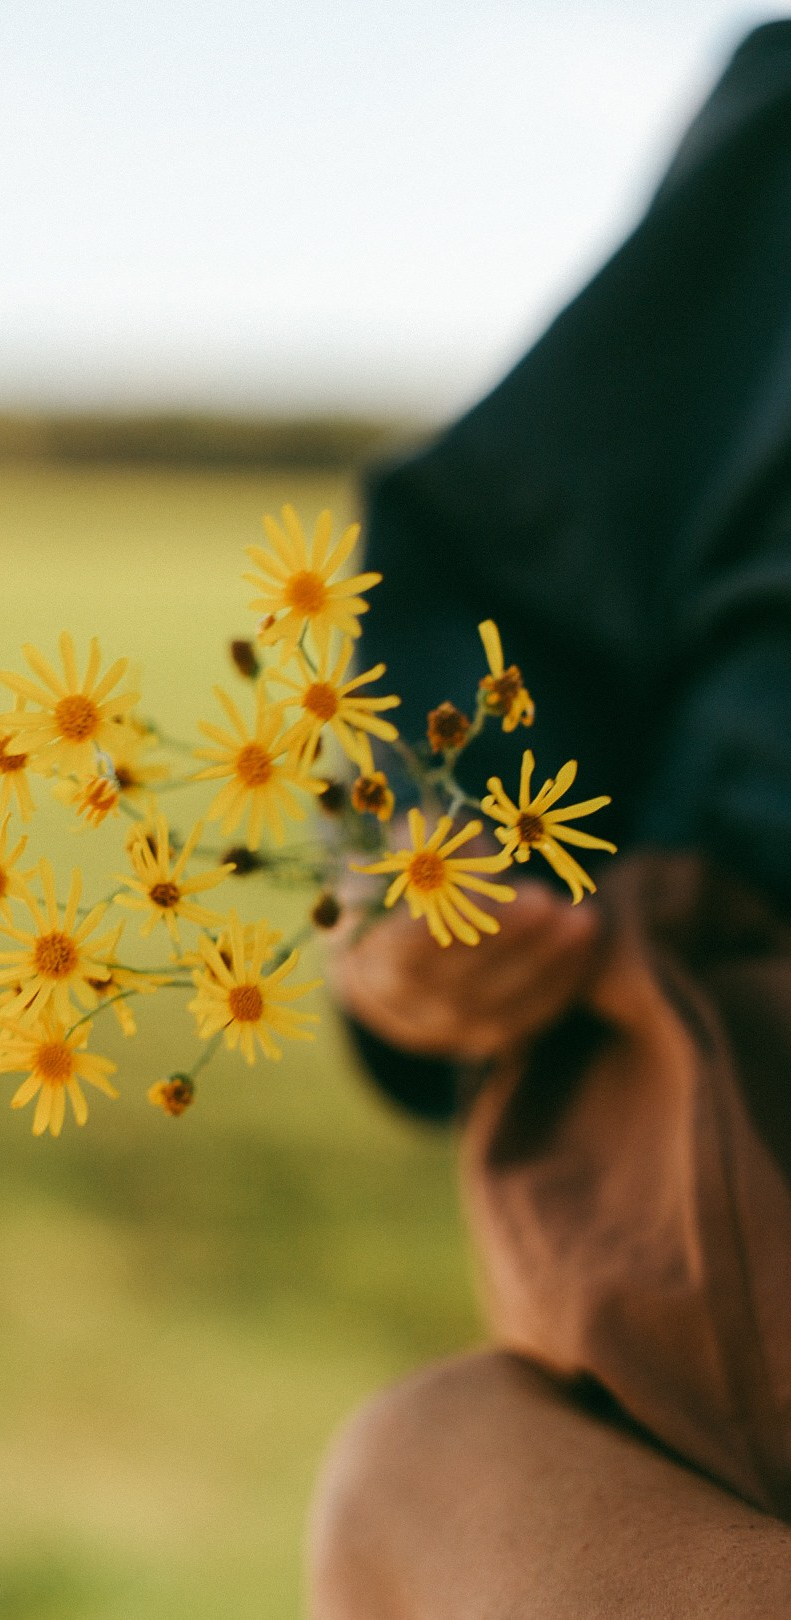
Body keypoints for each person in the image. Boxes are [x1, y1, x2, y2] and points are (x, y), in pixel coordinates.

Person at [310, 20, 791, 1615]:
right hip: (724, 1088)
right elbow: (500, 581)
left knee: (420, 1479)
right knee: (430, 1472)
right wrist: (428, 890)